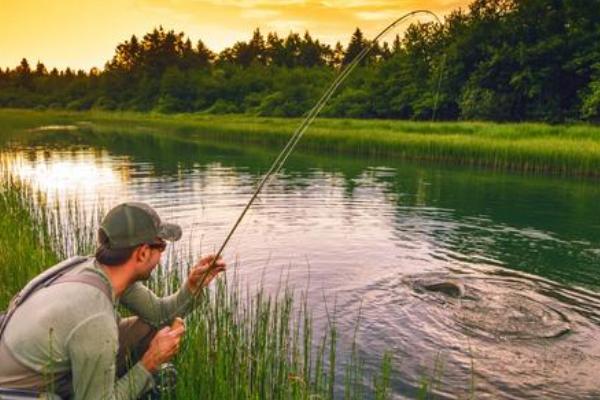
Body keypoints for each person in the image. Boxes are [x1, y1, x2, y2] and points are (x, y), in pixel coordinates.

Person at [0, 202, 226, 399]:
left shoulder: (95, 269)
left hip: (42, 367)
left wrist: (193, 287)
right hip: (22, 391)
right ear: (143, 253)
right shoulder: (95, 317)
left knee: (147, 327)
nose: (162, 255)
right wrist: (150, 362)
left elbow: (159, 315)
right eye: (161, 246)